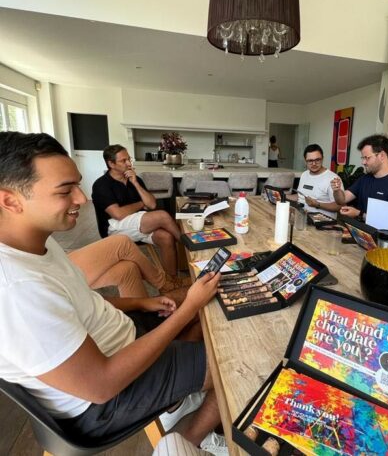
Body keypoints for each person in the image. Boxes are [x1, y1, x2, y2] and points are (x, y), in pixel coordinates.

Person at [0, 132, 226, 452]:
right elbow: (101, 386)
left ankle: (177, 398)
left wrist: (143, 302)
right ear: (10, 201)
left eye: (77, 186)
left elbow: (81, 303)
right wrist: (188, 307)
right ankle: (188, 442)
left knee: (204, 311)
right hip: (103, 402)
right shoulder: (15, 288)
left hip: (118, 339)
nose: (82, 199)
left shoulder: (37, 243)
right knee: (231, 360)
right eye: (65, 190)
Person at [92, 145, 187, 289]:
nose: (128, 163)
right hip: (114, 227)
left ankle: (171, 282)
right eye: (123, 161)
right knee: (162, 216)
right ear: (111, 164)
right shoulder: (101, 185)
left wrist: (135, 183)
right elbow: (118, 214)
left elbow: (152, 204)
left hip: (138, 223)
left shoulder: (135, 179)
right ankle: (186, 243)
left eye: (129, 159)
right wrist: (141, 204)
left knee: (166, 237)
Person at [68, 234, 179, 300]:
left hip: (62, 258)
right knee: (122, 243)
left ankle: (143, 320)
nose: (81, 201)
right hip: (58, 272)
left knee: (127, 269)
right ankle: (164, 284)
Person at [331, 134, 388, 219]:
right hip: (357, 227)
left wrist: (359, 214)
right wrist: (337, 190)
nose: (363, 162)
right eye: (362, 158)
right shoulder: (365, 179)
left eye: (367, 158)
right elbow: (342, 200)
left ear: (382, 156)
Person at [292, 144, 342, 218]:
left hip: (323, 221)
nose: (314, 164)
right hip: (301, 217)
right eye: (310, 161)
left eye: (317, 160)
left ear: (322, 158)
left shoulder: (333, 178)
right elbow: (299, 196)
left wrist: (317, 204)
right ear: (305, 161)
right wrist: (282, 195)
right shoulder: (304, 174)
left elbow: (339, 206)